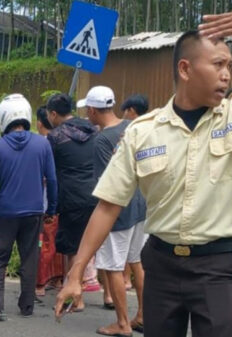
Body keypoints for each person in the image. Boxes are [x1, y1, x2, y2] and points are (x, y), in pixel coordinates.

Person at [56, 31, 232, 337]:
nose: (226, 75)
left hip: (218, 267)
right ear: (185, 69)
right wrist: (76, 273)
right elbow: (109, 204)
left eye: (229, 65)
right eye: (218, 64)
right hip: (161, 267)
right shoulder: (143, 132)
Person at [81, 86, 147, 336]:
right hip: (139, 205)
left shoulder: (101, 140)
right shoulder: (132, 126)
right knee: (137, 261)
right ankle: (142, 314)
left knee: (113, 267)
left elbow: (104, 185)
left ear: (91, 110)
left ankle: (122, 323)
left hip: (117, 213)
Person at [0, 94, 57, 320]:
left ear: (3, 118)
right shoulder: (43, 144)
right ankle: (27, 307)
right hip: (34, 212)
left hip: (5, 213)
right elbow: (52, 180)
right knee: (29, 258)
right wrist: (51, 209)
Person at [46, 93, 98, 311]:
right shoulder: (92, 130)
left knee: (71, 246)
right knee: (91, 244)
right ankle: (105, 296)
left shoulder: (55, 137)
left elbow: (50, 172)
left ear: (54, 114)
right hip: (95, 193)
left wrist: (51, 203)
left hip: (71, 196)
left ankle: (76, 298)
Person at [120, 93, 150, 292]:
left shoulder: (129, 132)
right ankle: (143, 309)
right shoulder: (153, 130)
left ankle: (125, 280)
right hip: (147, 202)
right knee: (137, 256)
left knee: (120, 252)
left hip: (128, 200)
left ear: (131, 111)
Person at [34, 106, 64, 297]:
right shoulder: (61, 141)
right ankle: (58, 279)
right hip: (61, 200)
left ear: (38, 122)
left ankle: (40, 284)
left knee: (43, 243)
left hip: (43, 201)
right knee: (57, 243)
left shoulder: (41, 144)